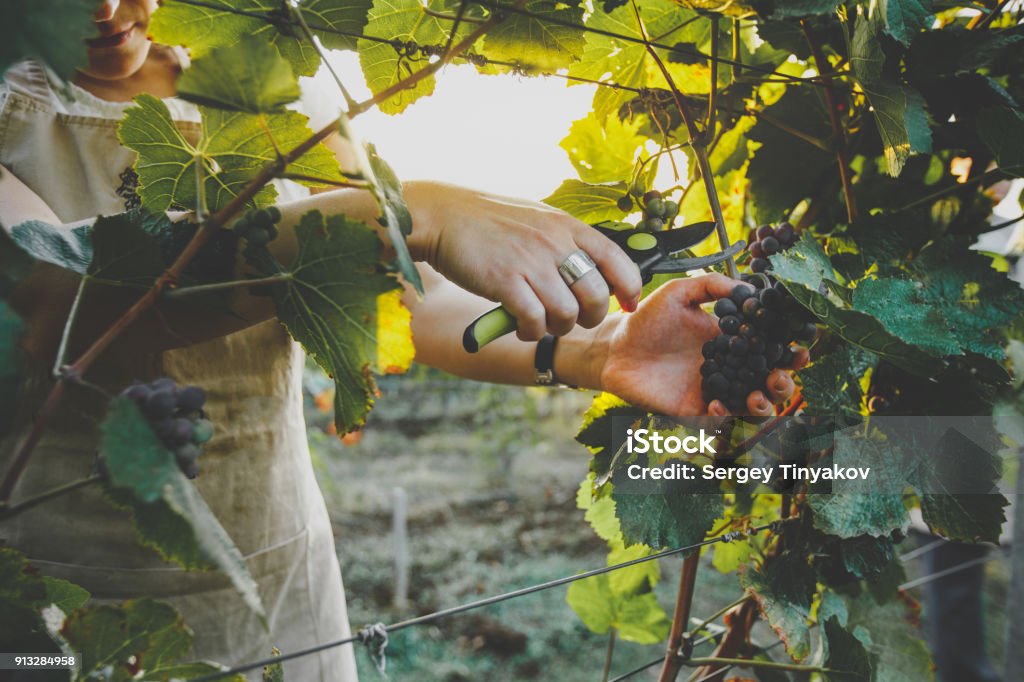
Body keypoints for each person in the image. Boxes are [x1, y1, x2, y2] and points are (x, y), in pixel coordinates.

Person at [0, 1, 804, 679]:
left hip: (276, 572)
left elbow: (396, 308)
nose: (104, 10)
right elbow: (67, 295)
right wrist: (410, 215)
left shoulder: (261, 87)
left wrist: (595, 350)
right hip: (57, 600)